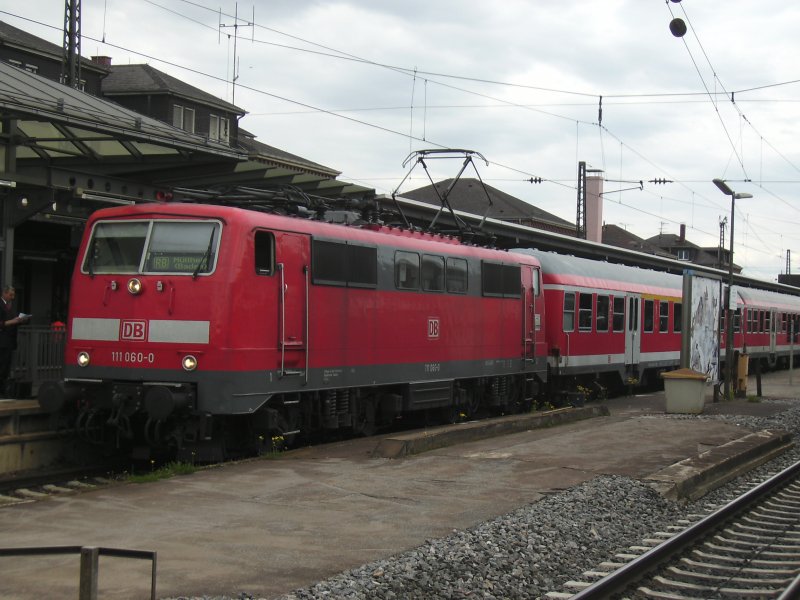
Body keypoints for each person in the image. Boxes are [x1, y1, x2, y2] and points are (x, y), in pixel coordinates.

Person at [0, 285, 30, 398]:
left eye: (13, 295)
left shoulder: (9, 306)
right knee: (2, 366)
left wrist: (21, 320)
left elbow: (13, 320)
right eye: (10, 295)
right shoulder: (1, 305)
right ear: (4, 293)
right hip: (2, 340)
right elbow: (4, 322)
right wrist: (12, 321)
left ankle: (3, 390)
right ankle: (1, 391)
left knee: (6, 367)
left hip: (9, 341)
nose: (12, 297)